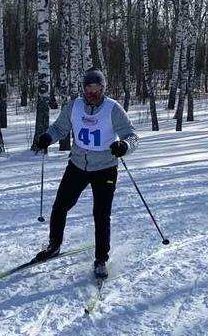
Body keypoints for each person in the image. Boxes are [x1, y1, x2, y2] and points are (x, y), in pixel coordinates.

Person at [33, 68, 138, 280]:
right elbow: (59, 128)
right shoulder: (74, 106)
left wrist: (124, 146)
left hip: (105, 168)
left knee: (101, 214)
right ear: (83, 88)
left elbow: (132, 135)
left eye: (97, 87)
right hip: (78, 165)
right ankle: (54, 245)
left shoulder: (112, 109)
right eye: (89, 87)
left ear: (103, 88)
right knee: (60, 205)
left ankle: (101, 260)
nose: (92, 91)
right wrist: (47, 137)